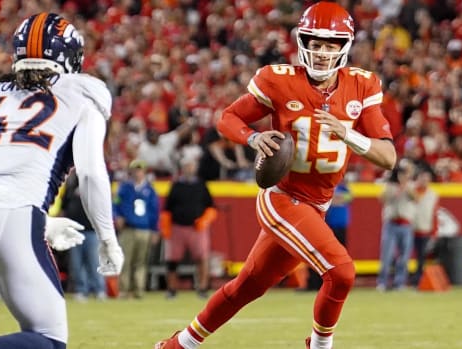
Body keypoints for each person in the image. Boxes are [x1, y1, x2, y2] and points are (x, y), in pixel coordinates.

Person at [155, 2, 396, 349]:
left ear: (345, 46)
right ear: (302, 42)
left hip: (319, 204)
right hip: (283, 197)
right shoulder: (278, 80)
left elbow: (388, 157)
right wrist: (253, 138)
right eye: (314, 42)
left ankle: (177, 345)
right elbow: (227, 118)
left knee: (246, 287)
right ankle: (319, 346)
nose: (321, 51)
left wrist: (349, 135)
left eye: (330, 44)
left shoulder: (362, 85)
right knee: (341, 271)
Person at [0, 12, 123, 349]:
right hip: (16, 215)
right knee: (48, 339)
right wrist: (108, 237)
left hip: (13, 211)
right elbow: (92, 171)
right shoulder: (83, 91)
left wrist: (45, 224)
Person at [162, 156, 217, 299]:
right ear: (182, 168)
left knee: (202, 257)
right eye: (186, 166)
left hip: (197, 228)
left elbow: (211, 207)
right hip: (177, 227)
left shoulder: (201, 185)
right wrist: (166, 227)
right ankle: (171, 289)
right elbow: (167, 208)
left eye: (191, 166)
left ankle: (203, 287)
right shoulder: (176, 185)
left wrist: (205, 220)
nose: (189, 168)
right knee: (172, 259)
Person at [114, 159, 160, 299]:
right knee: (125, 260)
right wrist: (117, 216)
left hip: (144, 229)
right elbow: (115, 204)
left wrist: (155, 230)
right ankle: (124, 290)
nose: (138, 172)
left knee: (141, 261)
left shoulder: (150, 190)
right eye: (135, 169)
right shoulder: (124, 188)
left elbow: (155, 211)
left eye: (140, 170)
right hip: (128, 228)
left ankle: (139, 290)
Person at [61, 170, 107, 302]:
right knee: (76, 264)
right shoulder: (70, 187)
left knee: (94, 263)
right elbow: (64, 207)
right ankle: (81, 290)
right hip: (74, 231)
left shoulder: (96, 186)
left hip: (91, 230)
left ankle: (99, 289)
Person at [376, 159, 417, 291]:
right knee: (387, 255)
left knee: (404, 256)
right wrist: (393, 186)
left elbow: (415, 198)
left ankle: (400, 282)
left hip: (406, 224)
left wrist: (405, 185)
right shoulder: (390, 186)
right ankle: (382, 282)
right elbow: (382, 199)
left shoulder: (411, 185)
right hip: (391, 223)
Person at [305, 180, 352, 291]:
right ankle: (318, 283)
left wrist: (333, 198)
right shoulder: (334, 189)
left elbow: (346, 198)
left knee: (334, 257)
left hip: (337, 227)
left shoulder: (341, 189)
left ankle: (334, 283)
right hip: (328, 226)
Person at [411, 170, 439, 286]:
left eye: (427, 179)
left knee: (421, 257)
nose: (425, 181)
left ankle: (418, 280)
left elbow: (434, 213)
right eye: (423, 178)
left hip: (424, 229)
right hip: (410, 228)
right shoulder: (411, 191)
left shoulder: (433, 194)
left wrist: (434, 230)